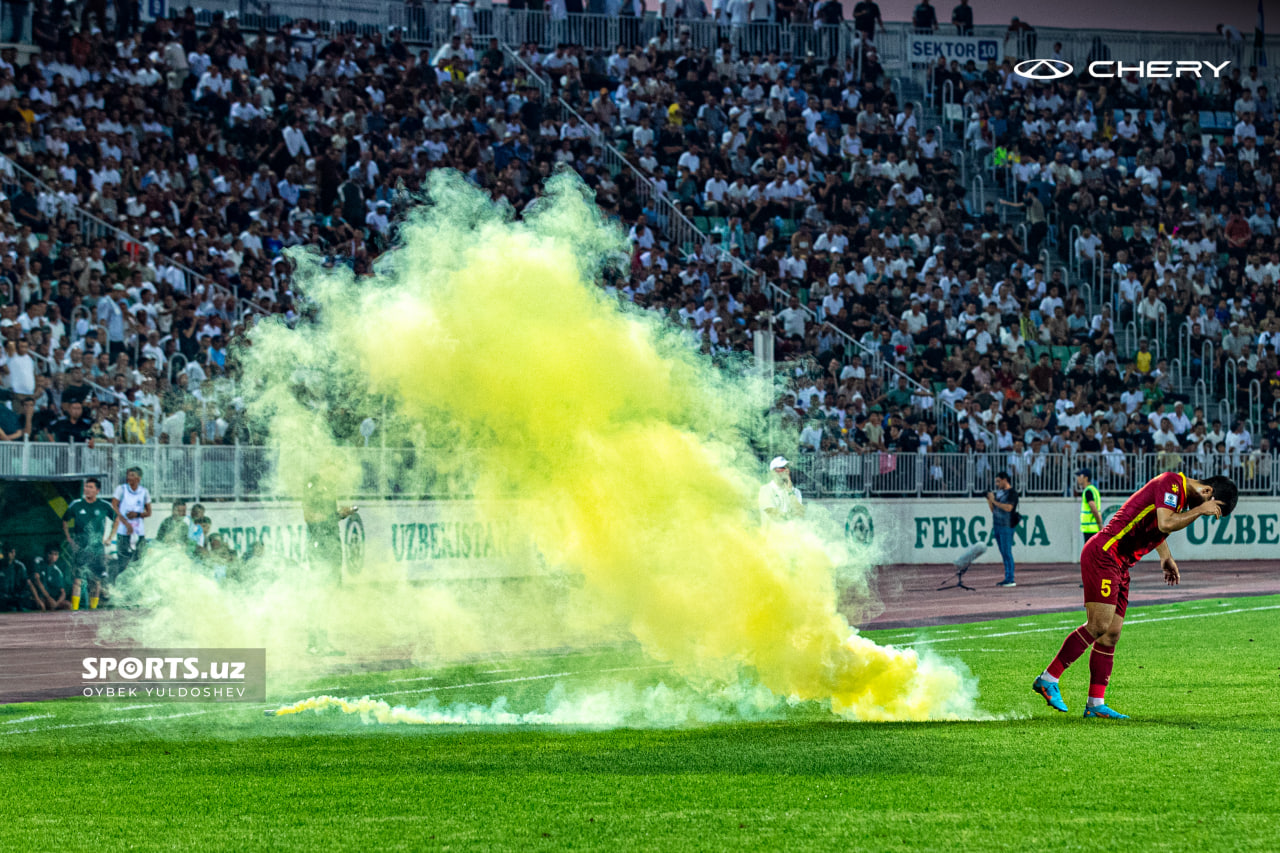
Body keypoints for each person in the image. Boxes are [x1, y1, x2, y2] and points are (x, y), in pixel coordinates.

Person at [1032, 473, 1238, 719]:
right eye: (1213, 509)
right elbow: (1165, 523)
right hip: (1106, 553)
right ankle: (1048, 678)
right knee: (1098, 624)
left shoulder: (1180, 498)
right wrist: (1201, 510)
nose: (1206, 514)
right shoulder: (1171, 482)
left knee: (1111, 634)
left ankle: (1095, 704)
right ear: (1207, 492)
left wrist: (1165, 556)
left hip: (1121, 563)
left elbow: (1156, 525)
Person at [62, 477, 115, 610]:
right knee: (77, 579)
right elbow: (65, 520)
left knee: (95, 580)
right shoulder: (76, 504)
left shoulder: (104, 505)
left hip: (97, 548)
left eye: (90, 487)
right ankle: (74, 609)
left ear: (97, 490)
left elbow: (118, 518)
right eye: (86, 487)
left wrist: (109, 538)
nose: (87, 489)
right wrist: (69, 539)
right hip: (81, 548)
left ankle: (93, 608)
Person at [111, 467, 152, 580]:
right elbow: (114, 506)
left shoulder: (144, 492)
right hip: (123, 532)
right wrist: (125, 522)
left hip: (138, 533)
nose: (129, 477)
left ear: (139, 478)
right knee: (123, 562)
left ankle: (137, 589)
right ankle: (121, 588)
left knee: (139, 562)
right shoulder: (121, 489)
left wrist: (137, 514)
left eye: (132, 475)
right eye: (128, 475)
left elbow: (149, 512)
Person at [986, 472, 1018, 587]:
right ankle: (1007, 577)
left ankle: (1010, 578)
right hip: (998, 525)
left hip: (1007, 525)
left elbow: (1009, 508)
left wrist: (994, 501)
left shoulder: (1012, 493)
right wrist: (989, 500)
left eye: (999, 481)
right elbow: (993, 510)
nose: (997, 484)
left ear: (1005, 480)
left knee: (1007, 552)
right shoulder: (999, 493)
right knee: (1003, 553)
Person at [758, 456, 805, 523]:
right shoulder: (765, 490)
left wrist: (790, 492)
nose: (786, 470)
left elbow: (800, 514)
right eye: (782, 468)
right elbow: (774, 515)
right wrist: (791, 516)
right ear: (773, 472)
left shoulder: (795, 492)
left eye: (787, 467)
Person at [28, 543, 72, 611]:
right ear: (46, 553)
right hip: (39, 597)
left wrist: (57, 603)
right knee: (42, 605)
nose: (53, 556)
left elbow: (63, 592)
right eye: (50, 553)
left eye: (55, 554)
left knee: (68, 605)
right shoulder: (38, 561)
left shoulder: (58, 571)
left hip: (53, 600)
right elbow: (37, 581)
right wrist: (48, 598)